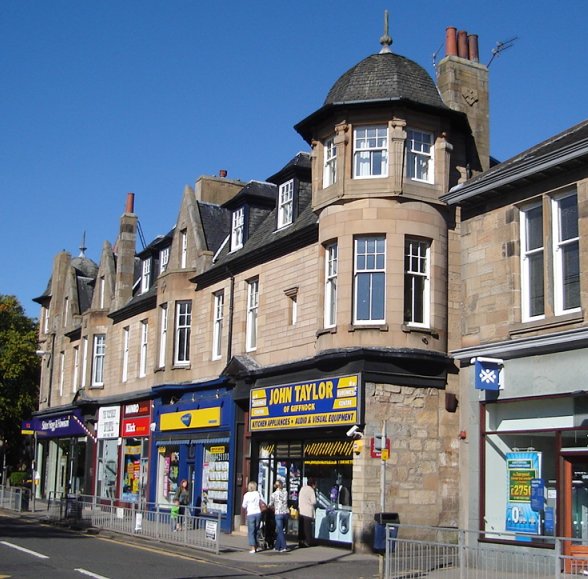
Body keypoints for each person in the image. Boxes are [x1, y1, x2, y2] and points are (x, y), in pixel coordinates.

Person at [242, 481, 263, 553]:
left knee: (251, 531)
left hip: (250, 513)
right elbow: (263, 501)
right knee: (256, 530)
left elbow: (244, 505)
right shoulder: (258, 493)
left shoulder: (246, 495)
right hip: (258, 513)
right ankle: (257, 546)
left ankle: (253, 548)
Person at [270, 480, 289, 552]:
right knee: (280, 530)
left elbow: (271, 504)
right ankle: (277, 546)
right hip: (285, 513)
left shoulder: (273, 494)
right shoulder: (286, 493)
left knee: (280, 530)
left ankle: (284, 546)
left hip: (278, 513)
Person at [298, 477, 317, 547]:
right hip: (308, 511)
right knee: (307, 528)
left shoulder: (303, 488)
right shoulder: (311, 490)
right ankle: (308, 541)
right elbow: (314, 501)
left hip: (301, 510)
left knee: (301, 528)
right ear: (313, 484)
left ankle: (301, 541)